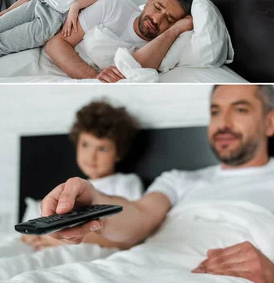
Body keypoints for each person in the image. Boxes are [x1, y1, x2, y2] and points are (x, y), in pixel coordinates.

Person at [40, 85, 274, 283]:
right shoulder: (179, 180)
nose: (223, 123)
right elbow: (139, 217)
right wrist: (95, 202)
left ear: (269, 122)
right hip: (140, 267)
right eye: (215, 112)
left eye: (240, 109)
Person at [22, 100, 143, 251]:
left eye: (103, 149)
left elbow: (130, 236)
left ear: (118, 153)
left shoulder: (125, 183)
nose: (91, 156)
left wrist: (61, 240)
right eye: (85, 145)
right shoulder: (73, 189)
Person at [45, 0, 194, 82]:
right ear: (149, 1)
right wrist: (93, 77)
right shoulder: (113, 5)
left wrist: (175, 30)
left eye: (169, 20)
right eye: (157, 7)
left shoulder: (162, 46)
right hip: (54, 63)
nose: (156, 19)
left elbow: (133, 68)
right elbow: (55, 44)